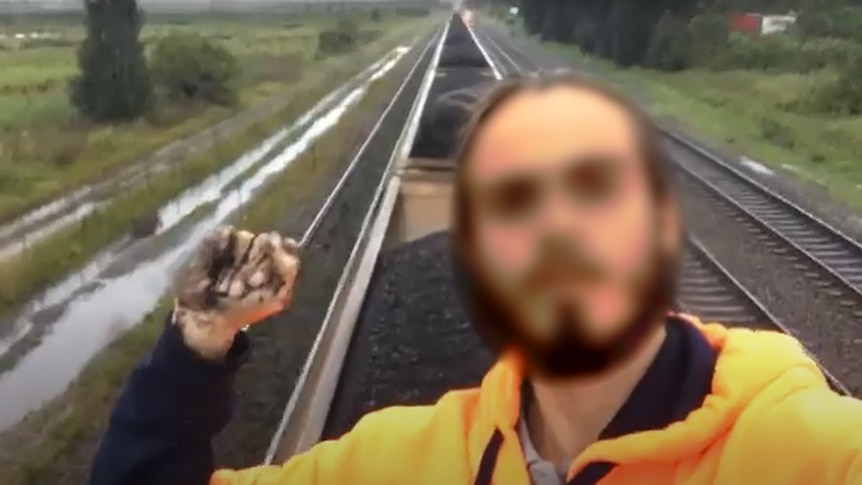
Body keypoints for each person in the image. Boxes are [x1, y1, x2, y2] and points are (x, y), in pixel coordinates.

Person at [90, 72, 862, 485]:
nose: (557, 226)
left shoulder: (811, 454)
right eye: (514, 198)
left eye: (593, 184)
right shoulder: (402, 461)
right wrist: (199, 342)